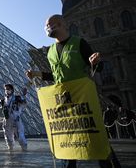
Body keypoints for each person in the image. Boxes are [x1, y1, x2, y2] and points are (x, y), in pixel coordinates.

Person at [25, 14, 120, 168]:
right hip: (64, 102)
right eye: (46, 26)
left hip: (83, 100)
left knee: (97, 139)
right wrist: (37, 74)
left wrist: (95, 62)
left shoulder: (79, 43)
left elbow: (98, 68)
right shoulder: (50, 51)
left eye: (50, 24)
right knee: (67, 141)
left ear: (61, 24)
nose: (47, 28)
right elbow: (55, 76)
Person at [0, 84, 28, 151]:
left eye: (8, 89)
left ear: (12, 90)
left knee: (21, 138)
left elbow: (25, 103)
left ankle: (25, 151)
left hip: (16, 120)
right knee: (8, 139)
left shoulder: (17, 98)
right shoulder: (3, 100)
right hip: (7, 121)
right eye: (5, 89)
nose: (7, 90)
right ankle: (11, 153)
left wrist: (25, 95)